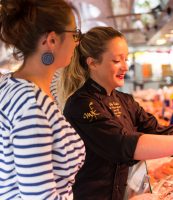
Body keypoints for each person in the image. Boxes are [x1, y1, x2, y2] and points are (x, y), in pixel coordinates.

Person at [57, 26, 173, 200]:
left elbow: (155, 130)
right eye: (117, 60)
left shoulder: (124, 100)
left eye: (126, 59)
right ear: (92, 63)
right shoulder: (80, 104)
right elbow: (122, 144)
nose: (125, 67)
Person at [0, 0, 85, 199]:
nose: (77, 42)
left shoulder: (11, 87)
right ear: (52, 40)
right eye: (74, 34)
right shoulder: (31, 104)